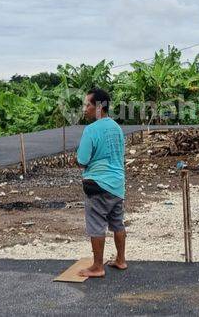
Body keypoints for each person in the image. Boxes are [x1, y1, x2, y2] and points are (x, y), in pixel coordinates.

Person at [76, 88, 127, 277]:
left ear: (98, 107)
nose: (84, 108)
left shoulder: (91, 130)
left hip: (97, 184)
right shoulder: (116, 128)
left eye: (87, 104)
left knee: (96, 225)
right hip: (117, 184)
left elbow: (82, 160)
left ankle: (98, 266)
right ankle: (121, 260)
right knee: (117, 223)